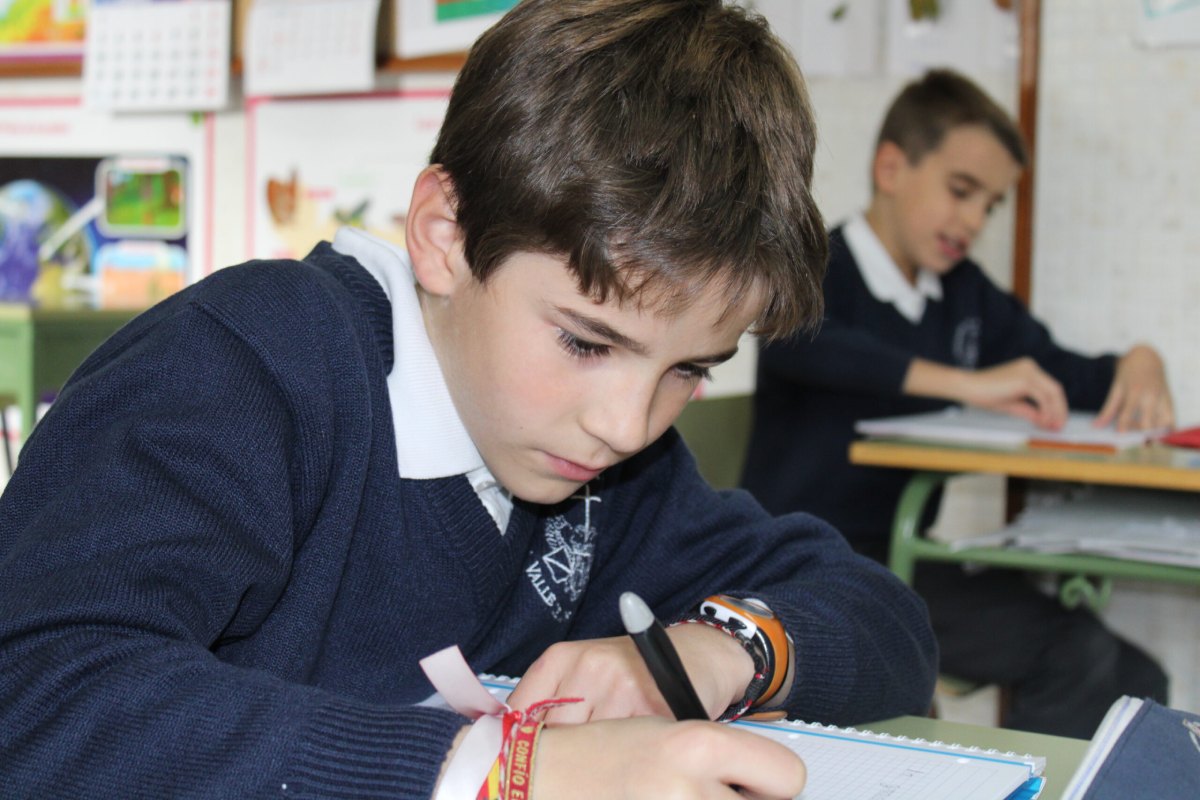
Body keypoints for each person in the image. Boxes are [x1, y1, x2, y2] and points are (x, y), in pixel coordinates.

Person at [0, 2, 938, 798]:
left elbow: (883, 619)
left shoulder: (609, 469)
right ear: (445, 234)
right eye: (584, 340)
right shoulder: (247, 368)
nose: (625, 423)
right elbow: (35, 689)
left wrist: (710, 652)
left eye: (689, 370)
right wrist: (503, 770)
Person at [740, 68, 1172, 740]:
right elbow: (803, 340)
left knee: (1135, 680)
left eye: (990, 206)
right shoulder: (817, 268)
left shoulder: (961, 293)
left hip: (906, 559)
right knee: (1078, 656)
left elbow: (1051, 371)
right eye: (962, 191)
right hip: (803, 565)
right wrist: (964, 383)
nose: (973, 221)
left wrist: (1137, 362)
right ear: (892, 166)